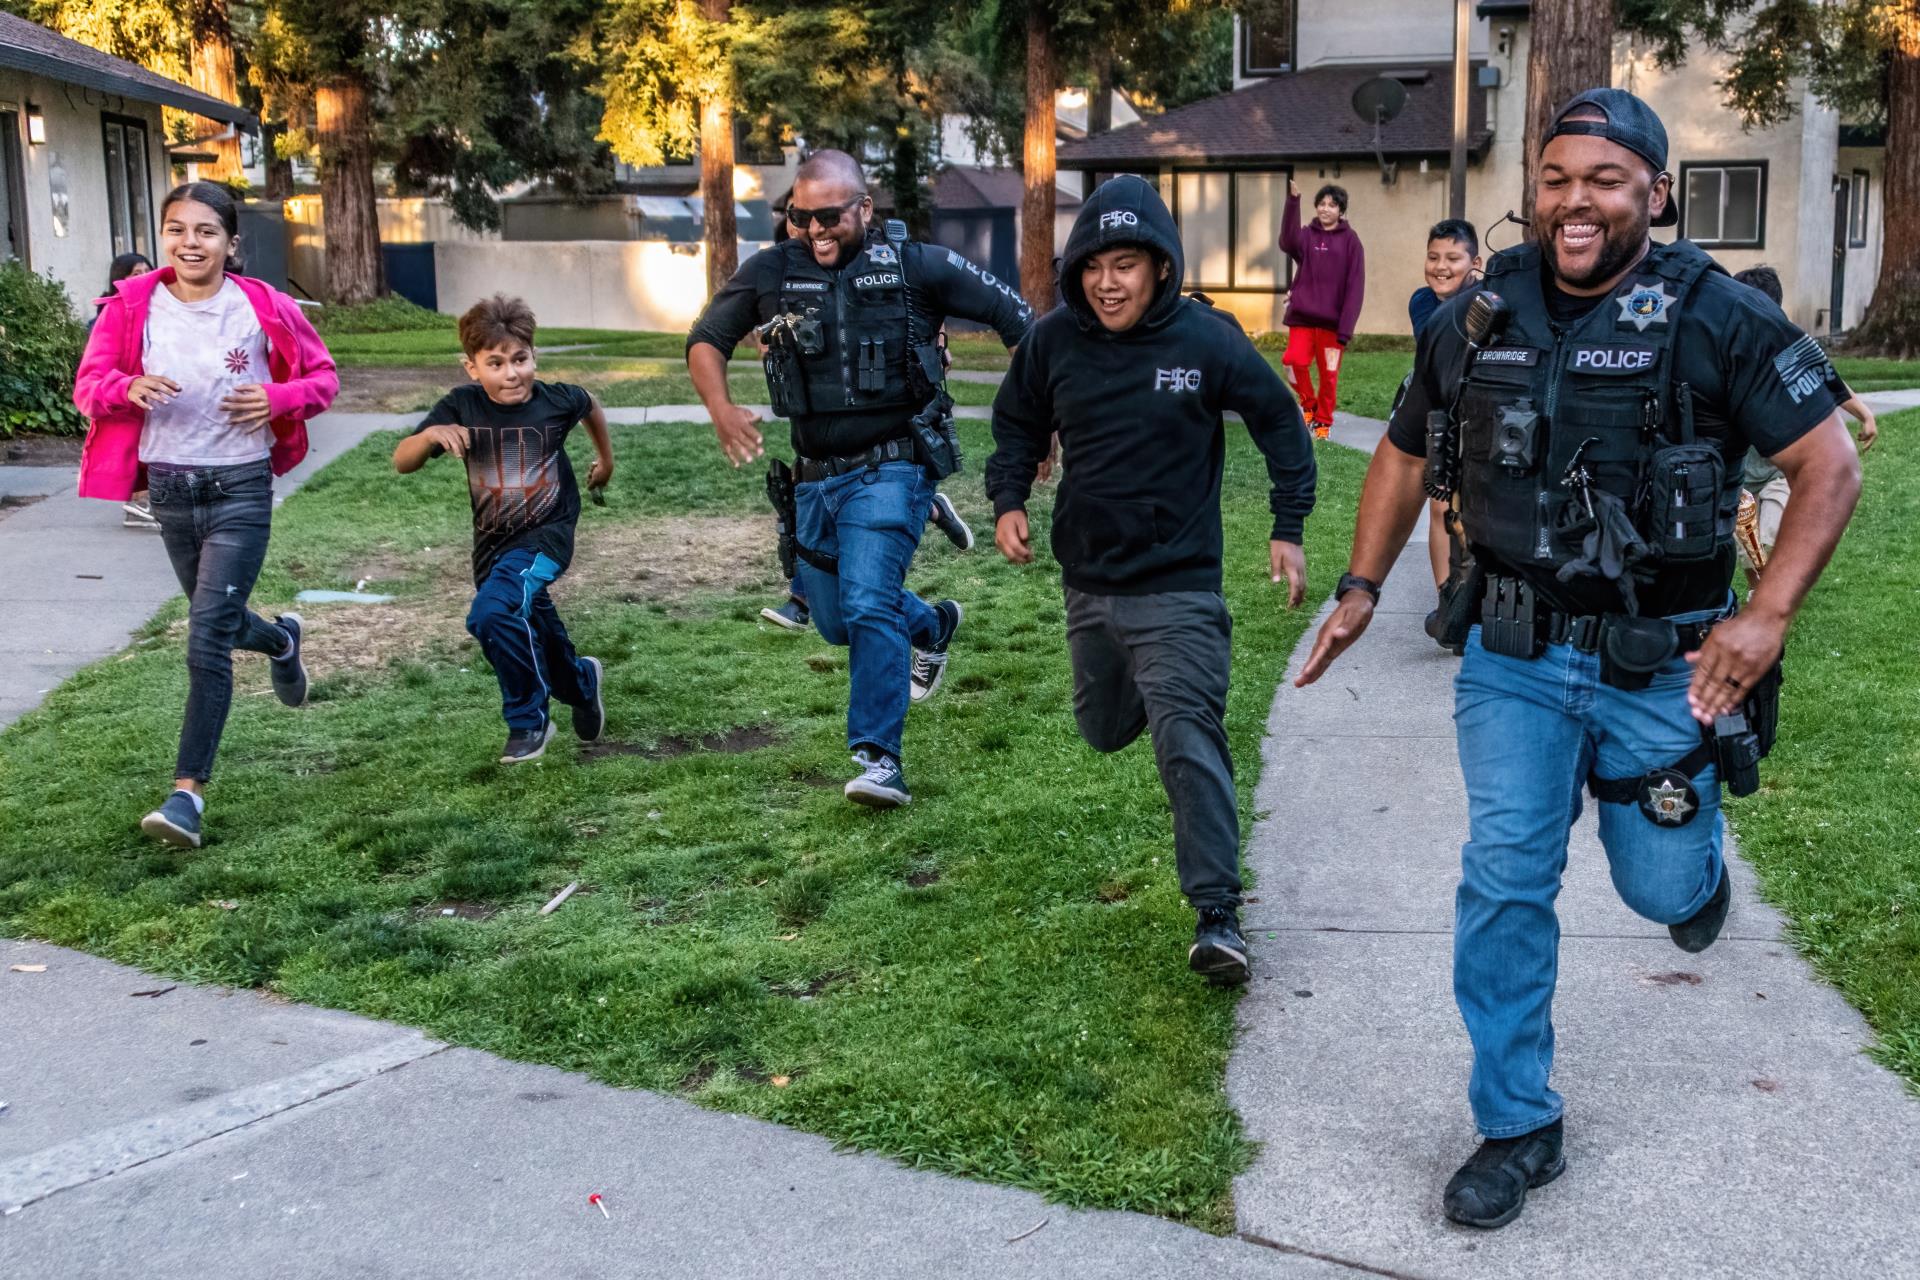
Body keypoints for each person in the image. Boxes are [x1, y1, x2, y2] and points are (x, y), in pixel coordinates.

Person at [1294, 88, 1861, 1229]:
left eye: (1604, 179)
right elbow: (1406, 452)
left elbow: (1829, 462)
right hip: (1513, 654)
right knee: (1505, 875)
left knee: (1659, 885)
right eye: (1556, 179)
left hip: (1665, 662)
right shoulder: (1479, 312)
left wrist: (1767, 618)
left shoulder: (1714, 315)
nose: (1576, 201)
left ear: (1655, 190)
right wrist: (1361, 586)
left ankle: (1693, 870)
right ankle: (1518, 1121)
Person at [986, 175, 1315, 985]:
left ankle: (1217, 917)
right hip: (1090, 583)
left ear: (1160, 268)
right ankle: (1153, 688)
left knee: (1185, 739)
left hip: (1180, 588)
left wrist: (1288, 525)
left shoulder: (1206, 341)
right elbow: (1016, 419)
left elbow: (1280, 421)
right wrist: (1007, 499)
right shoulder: (1054, 340)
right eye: (1094, 266)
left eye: (1126, 264)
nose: (1108, 282)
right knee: (1101, 729)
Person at [685, 149, 1032, 808]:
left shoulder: (915, 264)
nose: (816, 230)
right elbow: (705, 339)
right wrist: (720, 407)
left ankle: (878, 759)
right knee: (839, 620)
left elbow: (1019, 320)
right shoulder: (770, 271)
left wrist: (1037, 423)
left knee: (869, 602)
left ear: (864, 209)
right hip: (815, 478)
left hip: (895, 463)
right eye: (801, 217)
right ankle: (930, 627)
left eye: (831, 217)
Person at [72, 181, 339, 849]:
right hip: (170, 489)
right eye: (177, 229)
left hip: (241, 488)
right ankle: (281, 641)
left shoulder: (262, 306)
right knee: (215, 617)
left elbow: (324, 378)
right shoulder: (132, 305)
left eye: (205, 231)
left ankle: (186, 795)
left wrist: (277, 398)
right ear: (164, 236)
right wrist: (126, 386)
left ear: (230, 242)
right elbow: (88, 385)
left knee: (205, 638)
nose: (190, 242)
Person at [393, 295, 614, 765]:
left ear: (534, 356)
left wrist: (606, 461)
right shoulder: (462, 406)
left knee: (492, 614)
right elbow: (402, 461)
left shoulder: (554, 401)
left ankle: (529, 722)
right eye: (495, 363)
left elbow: (590, 403)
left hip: (547, 537)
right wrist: (429, 436)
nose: (511, 374)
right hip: (493, 548)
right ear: (472, 367)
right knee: (529, 624)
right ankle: (581, 683)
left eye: (520, 359)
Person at [753, 194, 980, 633]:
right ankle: (924, 610)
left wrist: (937, 343)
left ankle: (804, 598)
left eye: (819, 216)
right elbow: (764, 335)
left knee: (865, 589)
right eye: (798, 218)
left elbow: (914, 305)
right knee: (830, 539)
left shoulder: (879, 253)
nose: (809, 227)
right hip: (816, 413)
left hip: (885, 422)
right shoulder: (782, 263)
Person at [1729, 265, 1878, 588]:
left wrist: (1863, 413)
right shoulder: (1730, 351)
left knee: (1770, 536)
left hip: (1779, 470)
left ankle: (1765, 601)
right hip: (1740, 474)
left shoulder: (1784, 352)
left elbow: (1825, 381)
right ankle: (1759, 593)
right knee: (1748, 547)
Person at [1408, 220, 1484, 595]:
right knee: (1439, 505)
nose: (1441, 266)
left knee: (1470, 510)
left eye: (1453, 258)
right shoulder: (1421, 302)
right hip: (1436, 412)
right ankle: (1447, 598)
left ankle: (1475, 591)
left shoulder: (1487, 303)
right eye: (1433, 256)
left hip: (1476, 413)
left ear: (1476, 263)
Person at [1279, 179, 1365, 439]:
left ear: (1341, 210)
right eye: (1321, 204)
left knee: (1329, 376)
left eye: (1332, 205)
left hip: (1332, 325)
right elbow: (1287, 241)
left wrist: (1346, 328)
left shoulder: (1351, 242)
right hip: (1302, 319)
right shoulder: (1306, 235)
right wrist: (1293, 201)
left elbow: (1355, 286)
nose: (1325, 209)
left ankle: (1323, 422)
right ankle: (1309, 405)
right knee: (1292, 363)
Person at [92, 252, 163, 530]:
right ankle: (136, 505)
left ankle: (148, 503)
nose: (143, 276)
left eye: (146, 270)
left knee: (150, 447)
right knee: (132, 449)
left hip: (152, 385)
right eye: (135, 272)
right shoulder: (114, 310)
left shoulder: (160, 305)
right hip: (126, 388)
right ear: (120, 277)